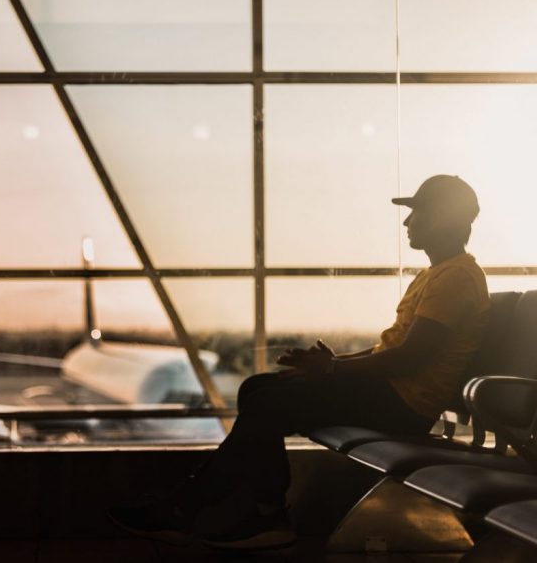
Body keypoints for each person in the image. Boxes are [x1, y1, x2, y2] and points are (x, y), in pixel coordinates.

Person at [110, 175, 491, 550]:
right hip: (391, 394)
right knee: (257, 388)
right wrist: (330, 364)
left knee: (265, 402)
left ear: (441, 217)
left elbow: (410, 358)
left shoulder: (455, 277)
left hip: (403, 405)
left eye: (417, 212)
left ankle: (191, 509)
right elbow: (391, 351)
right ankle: (263, 512)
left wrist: (332, 370)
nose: (407, 222)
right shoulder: (438, 274)